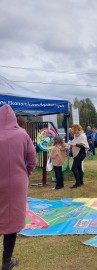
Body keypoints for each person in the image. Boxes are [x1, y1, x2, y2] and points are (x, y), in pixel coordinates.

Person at [0, 105, 37, 270]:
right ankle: (6, 262)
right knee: (11, 221)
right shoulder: (23, 135)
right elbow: (32, 159)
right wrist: (25, 174)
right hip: (16, 184)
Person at [70, 124, 89, 188]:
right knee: (79, 168)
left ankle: (77, 183)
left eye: (73, 129)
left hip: (81, 154)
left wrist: (75, 145)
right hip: (77, 154)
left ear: (76, 129)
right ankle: (81, 182)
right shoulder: (76, 136)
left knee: (74, 168)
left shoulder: (82, 136)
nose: (71, 130)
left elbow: (84, 146)